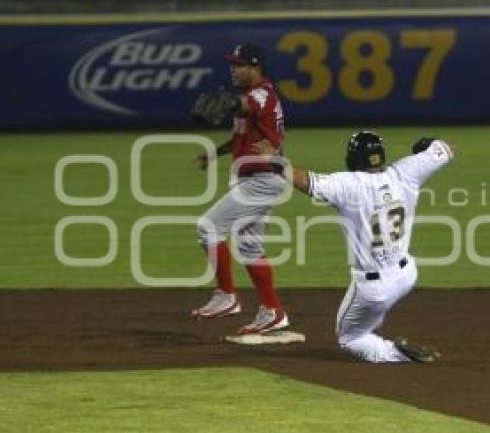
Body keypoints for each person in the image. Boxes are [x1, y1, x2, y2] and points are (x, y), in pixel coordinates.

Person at [254, 131, 454, 363]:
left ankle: (395, 353)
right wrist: (428, 145)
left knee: (349, 337)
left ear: (353, 159)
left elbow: (305, 181)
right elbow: (446, 149)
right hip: (406, 275)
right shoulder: (407, 171)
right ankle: (377, 335)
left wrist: (274, 160)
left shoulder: (347, 184)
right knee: (371, 312)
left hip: (374, 288)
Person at [191, 43, 290, 335]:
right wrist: (215, 153)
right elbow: (241, 135)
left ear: (255, 67)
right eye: (232, 64)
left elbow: (247, 106)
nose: (233, 69)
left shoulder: (261, 94)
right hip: (259, 177)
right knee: (250, 247)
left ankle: (227, 296)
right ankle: (273, 311)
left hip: (261, 178)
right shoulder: (252, 95)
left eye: (239, 65)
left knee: (208, 228)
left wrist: (232, 104)